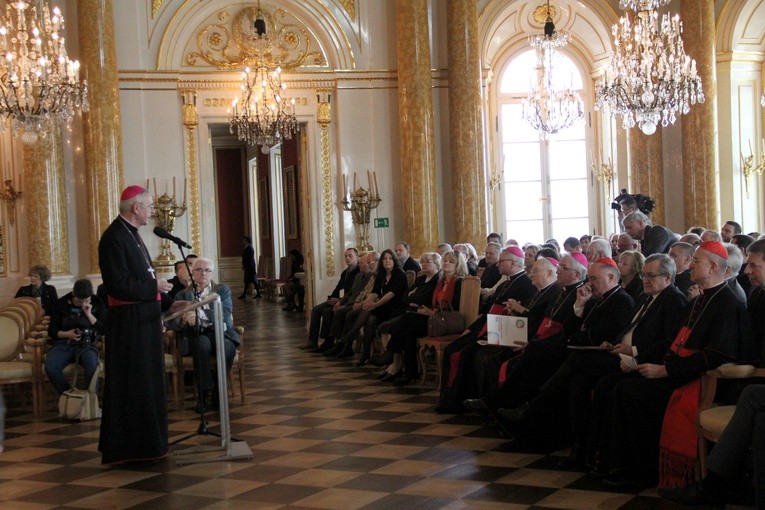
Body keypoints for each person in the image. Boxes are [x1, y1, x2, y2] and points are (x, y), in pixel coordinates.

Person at [603, 241, 755, 490]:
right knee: (622, 386)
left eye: (696, 261)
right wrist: (645, 362)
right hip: (680, 372)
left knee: (631, 392)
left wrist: (665, 370)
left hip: (702, 381)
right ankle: (626, 465)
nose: (690, 265)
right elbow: (675, 343)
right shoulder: (698, 300)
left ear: (714, 266)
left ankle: (644, 472)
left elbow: (715, 355)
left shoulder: (728, 303)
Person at [98, 185, 185, 465]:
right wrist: (154, 286)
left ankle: (149, 444)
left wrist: (166, 303)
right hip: (128, 327)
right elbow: (118, 285)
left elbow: (140, 280)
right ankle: (131, 448)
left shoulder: (132, 234)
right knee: (134, 386)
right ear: (136, 208)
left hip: (143, 322)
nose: (152, 212)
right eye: (149, 206)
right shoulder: (113, 237)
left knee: (147, 384)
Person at [383, 251, 467, 386]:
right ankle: (410, 373)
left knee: (407, 318)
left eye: (451, 262)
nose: (446, 263)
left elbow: (455, 309)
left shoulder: (460, 282)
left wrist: (432, 313)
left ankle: (391, 352)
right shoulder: (441, 281)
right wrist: (430, 312)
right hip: (435, 319)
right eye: (445, 260)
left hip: (448, 323)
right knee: (409, 331)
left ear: (458, 265)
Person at [174, 257, 240, 414]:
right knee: (201, 345)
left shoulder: (222, 290)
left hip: (221, 332)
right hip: (197, 334)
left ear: (212, 273)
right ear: (193, 273)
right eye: (199, 270)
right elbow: (174, 321)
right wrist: (183, 319)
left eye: (207, 270)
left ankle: (218, 393)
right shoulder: (183, 294)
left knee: (227, 348)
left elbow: (224, 313)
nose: (203, 273)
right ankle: (203, 394)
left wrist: (199, 314)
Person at [45, 279, 106, 396]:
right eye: (79, 301)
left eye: (86, 301)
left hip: (87, 345)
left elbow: (103, 329)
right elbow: (51, 331)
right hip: (64, 343)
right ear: (73, 294)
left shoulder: (98, 302)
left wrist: (89, 315)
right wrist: (67, 334)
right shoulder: (61, 303)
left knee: (92, 366)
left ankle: (90, 401)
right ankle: (69, 396)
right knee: (51, 368)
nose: (83, 304)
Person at [304, 248, 360, 351]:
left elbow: (352, 291)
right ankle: (312, 341)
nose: (347, 258)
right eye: (346, 256)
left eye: (350, 256)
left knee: (327, 311)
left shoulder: (359, 272)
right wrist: (333, 297)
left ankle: (328, 342)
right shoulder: (345, 272)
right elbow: (339, 287)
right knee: (316, 310)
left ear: (357, 257)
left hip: (347, 301)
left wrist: (340, 301)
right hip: (338, 299)